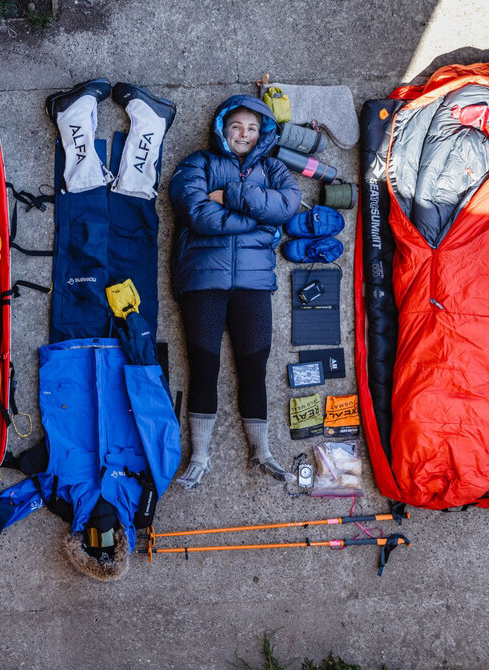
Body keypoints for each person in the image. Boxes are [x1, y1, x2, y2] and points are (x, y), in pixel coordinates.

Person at [168, 95, 302, 489]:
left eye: (252, 128)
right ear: (223, 129)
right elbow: (197, 215)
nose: (244, 134)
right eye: (236, 126)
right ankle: (200, 456)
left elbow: (288, 205)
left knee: (254, 369)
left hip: (255, 285)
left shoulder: (274, 167)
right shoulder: (198, 164)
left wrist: (230, 196)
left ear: (263, 134)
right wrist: (260, 223)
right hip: (202, 282)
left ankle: (263, 453)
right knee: (203, 369)